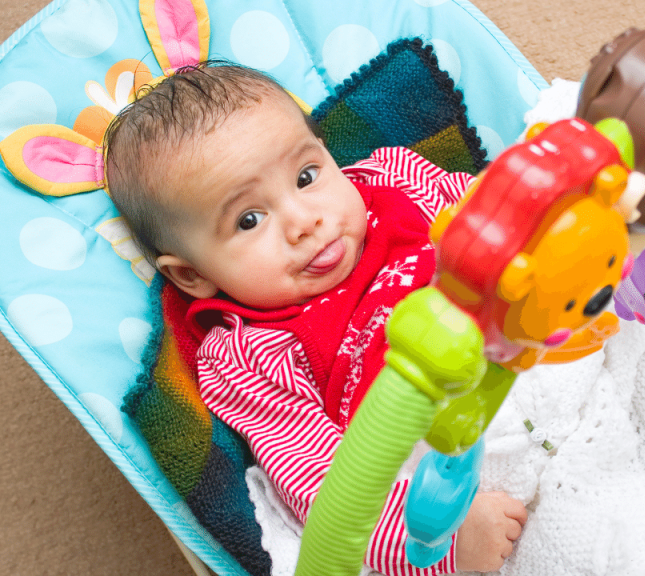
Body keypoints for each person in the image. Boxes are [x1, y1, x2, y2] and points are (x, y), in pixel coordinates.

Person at [103, 62, 527, 574]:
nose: (306, 222)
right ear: (192, 275)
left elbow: (506, 218)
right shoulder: (245, 356)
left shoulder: (398, 177)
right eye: (249, 220)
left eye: (307, 177)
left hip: (536, 351)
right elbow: (328, 488)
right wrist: (440, 541)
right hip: (442, 476)